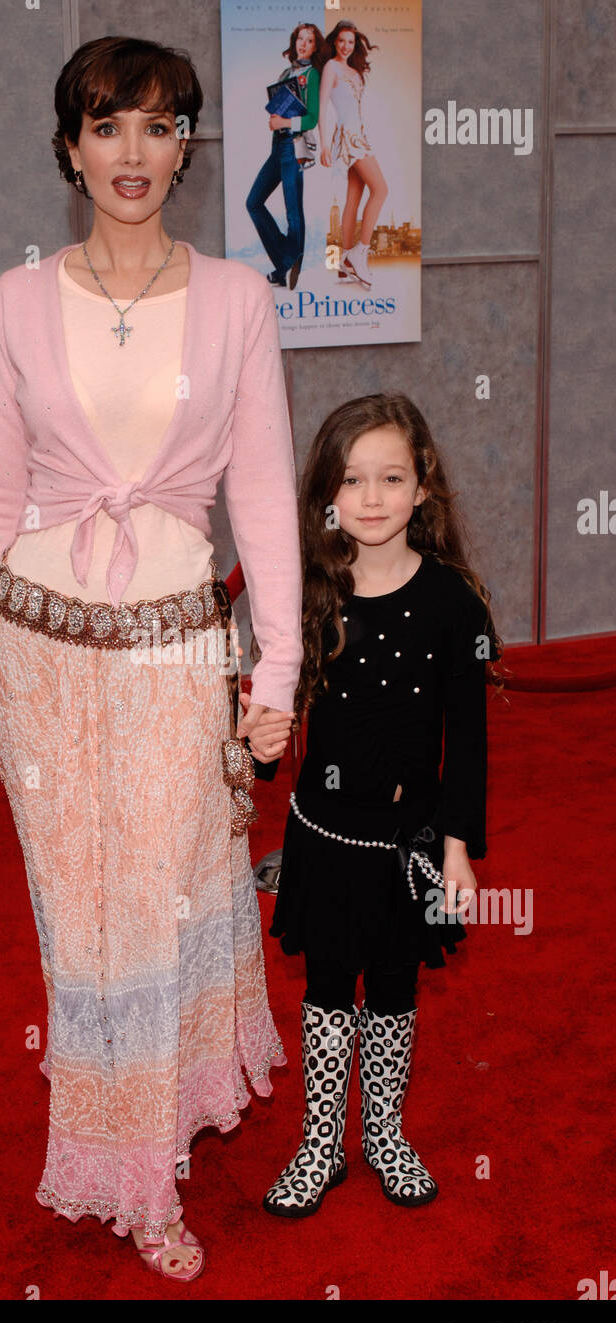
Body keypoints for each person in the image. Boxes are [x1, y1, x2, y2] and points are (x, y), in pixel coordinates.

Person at [0, 36, 302, 1282]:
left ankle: (147, 1178)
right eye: (108, 127)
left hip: (169, 651)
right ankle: (113, 1122)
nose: (133, 153)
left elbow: (258, 493)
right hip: (41, 655)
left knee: (157, 906)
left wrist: (278, 671)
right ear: (69, 146)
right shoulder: (16, 301)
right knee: (81, 925)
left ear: (188, 144)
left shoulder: (238, 300)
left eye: (158, 126)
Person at [263, 392, 502, 1216]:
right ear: (326, 494)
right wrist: (254, 738)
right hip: (325, 835)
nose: (370, 498)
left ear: (422, 487)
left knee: (395, 987)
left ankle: (384, 1133)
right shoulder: (305, 595)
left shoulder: (453, 603)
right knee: (327, 985)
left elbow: (466, 741)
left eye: (390, 477)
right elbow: (273, 711)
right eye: (352, 479)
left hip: (413, 840)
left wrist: (458, 848)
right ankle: (319, 1141)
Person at [245, 21, 321, 290]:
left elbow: (311, 118)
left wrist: (285, 124)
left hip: (294, 147)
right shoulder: (287, 71)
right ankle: (286, 263)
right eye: (301, 39)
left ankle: (283, 267)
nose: (304, 44)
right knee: (253, 202)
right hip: (277, 146)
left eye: (309, 40)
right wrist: (276, 120)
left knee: (293, 211)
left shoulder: (313, 76)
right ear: (294, 41)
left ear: (315, 46)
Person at [314, 20, 388, 289]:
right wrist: (323, 144)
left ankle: (345, 261)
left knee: (354, 198)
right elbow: (322, 107)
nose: (346, 46)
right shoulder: (331, 67)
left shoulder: (355, 71)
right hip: (349, 138)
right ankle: (360, 251)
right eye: (342, 40)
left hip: (360, 135)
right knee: (381, 190)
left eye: (351, 42)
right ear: (335, 41)